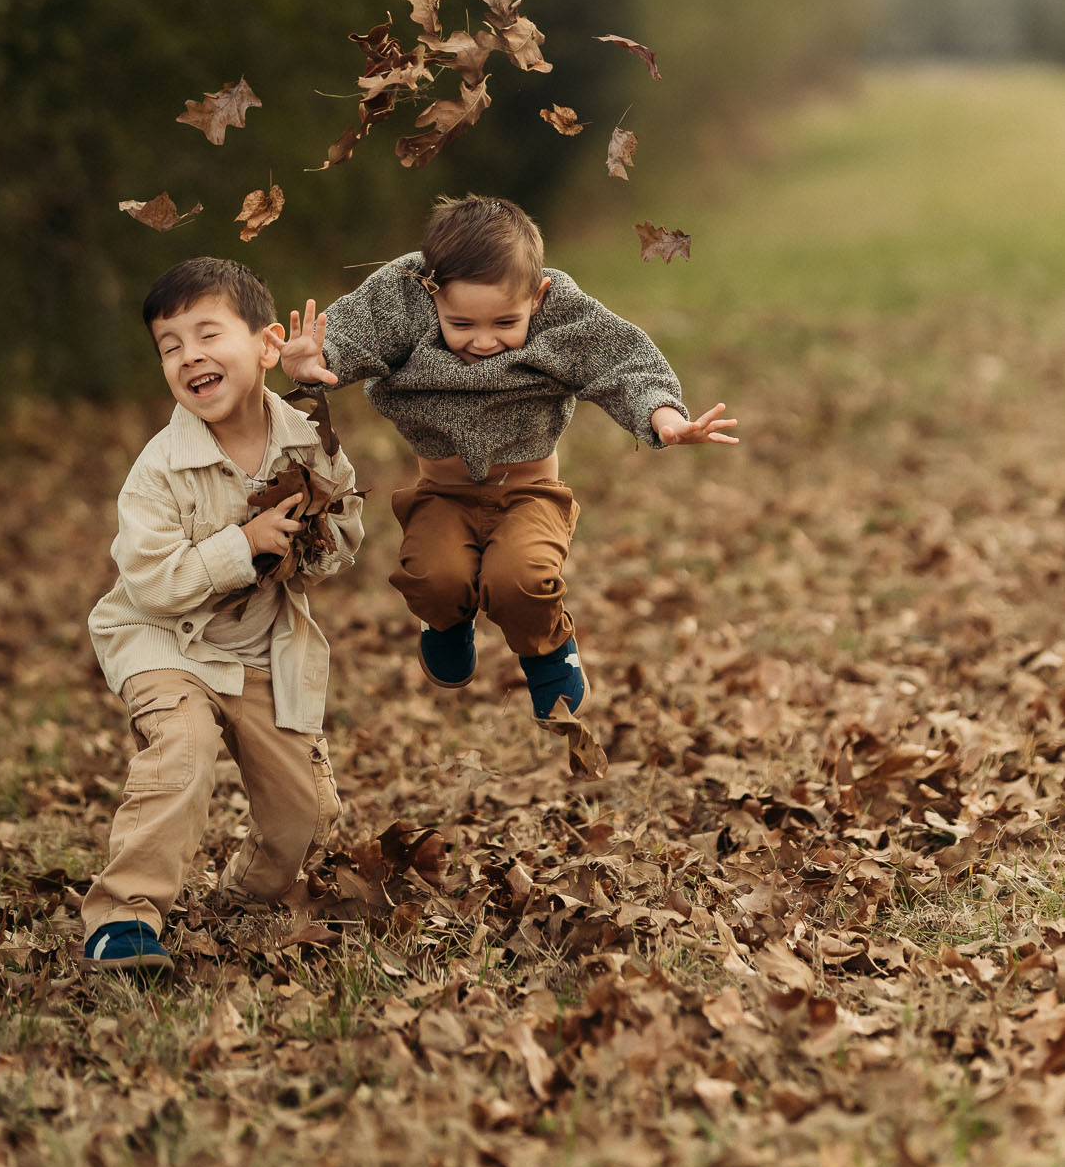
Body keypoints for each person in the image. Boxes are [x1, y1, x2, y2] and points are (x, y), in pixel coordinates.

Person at [277, 194, 735, 728]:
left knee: (519, 579)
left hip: (529, 491)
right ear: (432, 295)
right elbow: (354, 334)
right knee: (433, 579)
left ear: (537, 298)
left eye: (504, 322)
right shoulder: (404, 294)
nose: (484, 341)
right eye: (462, 324)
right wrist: (317, 360)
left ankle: (547, 650)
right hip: (442, 492)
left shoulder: (559, 311)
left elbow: (620, 360)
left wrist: (663, 417)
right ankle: (446, 621)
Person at [82, 257, 363, 974]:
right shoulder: (158, 470)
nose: (189, 356)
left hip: (257, 651)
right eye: (170, 346)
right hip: (163, 642)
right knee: (182, 750)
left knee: (306, 818)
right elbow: (149, 584)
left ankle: (243, 895)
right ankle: (124, 917)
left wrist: (317, 537)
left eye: (208, 334)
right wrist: (239, 545)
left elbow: (345, 529)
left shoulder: (303, 436)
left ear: (267, 346)